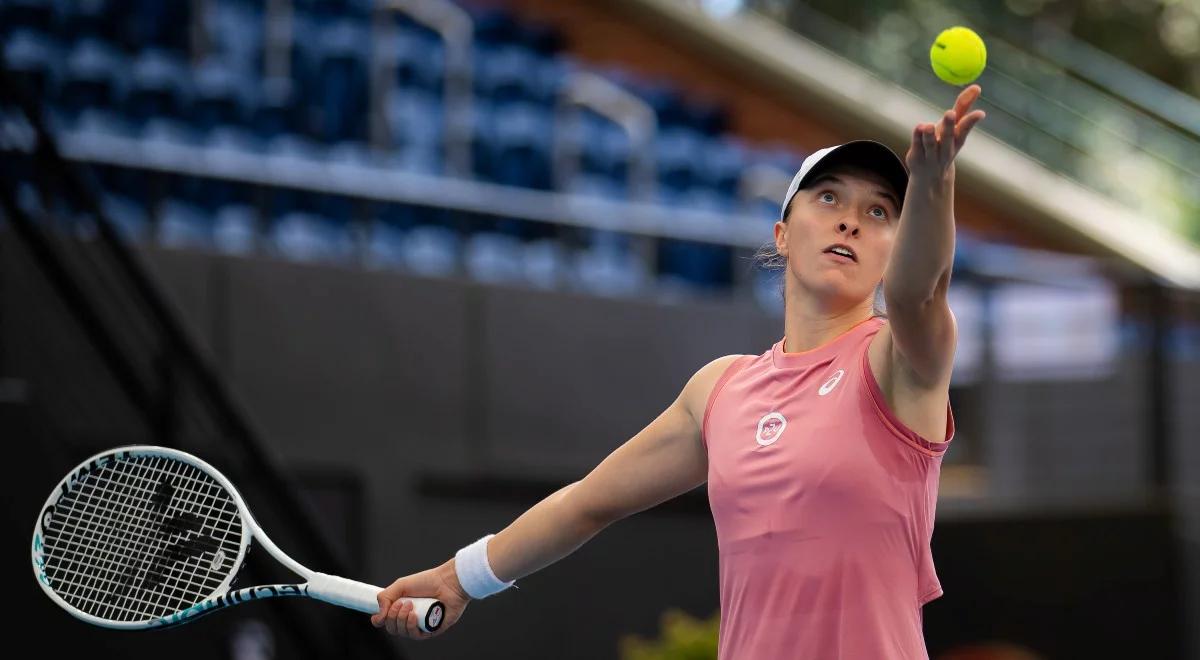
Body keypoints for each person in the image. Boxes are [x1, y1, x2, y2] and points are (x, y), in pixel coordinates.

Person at [372, 85, 987, 659]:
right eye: (828, 198)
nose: (851, 220)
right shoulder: (720, 390)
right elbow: (587, 504)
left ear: (892, 251)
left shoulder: (899, 362)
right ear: (782, 232)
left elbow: (919, 293)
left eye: (880, 212)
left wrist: (934, 189)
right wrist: (458, 579)